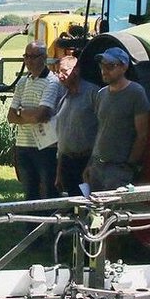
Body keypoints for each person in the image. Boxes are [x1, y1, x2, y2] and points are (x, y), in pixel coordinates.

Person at [86, 47, 150, 192]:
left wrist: (129, 165)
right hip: (97, 165)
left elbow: (142, 135)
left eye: (110, 66)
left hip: (118, 168)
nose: (104, 70)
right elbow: (100, 130)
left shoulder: (136, 92)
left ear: (123, 67)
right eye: (102, 66)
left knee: (115, 212)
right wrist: (90, 163)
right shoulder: (101, 94)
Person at [7, 40, 63, 201]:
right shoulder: (23, 82)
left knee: (48, 191)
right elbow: (11, 116)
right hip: (23, 145)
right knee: (29, 192)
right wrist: (30, 115)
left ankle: (49, 225)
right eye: (26, 56)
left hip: (45, 146)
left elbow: (42, 115)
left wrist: (22, 113)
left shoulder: (52, 82)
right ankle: (30, 225)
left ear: (44, 58)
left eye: (33, 57)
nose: (29, 61)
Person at [53, 53, 97, 197]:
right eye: (58, 72)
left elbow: (104, 130)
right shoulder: (63, 97)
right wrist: (59, 172)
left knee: (90, 206)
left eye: (64, 71)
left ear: (76, 70)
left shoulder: (93, 93)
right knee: (73, 208)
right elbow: (62, 138)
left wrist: (92, 164)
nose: (60, 75)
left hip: (87, 161)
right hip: (67, 162)